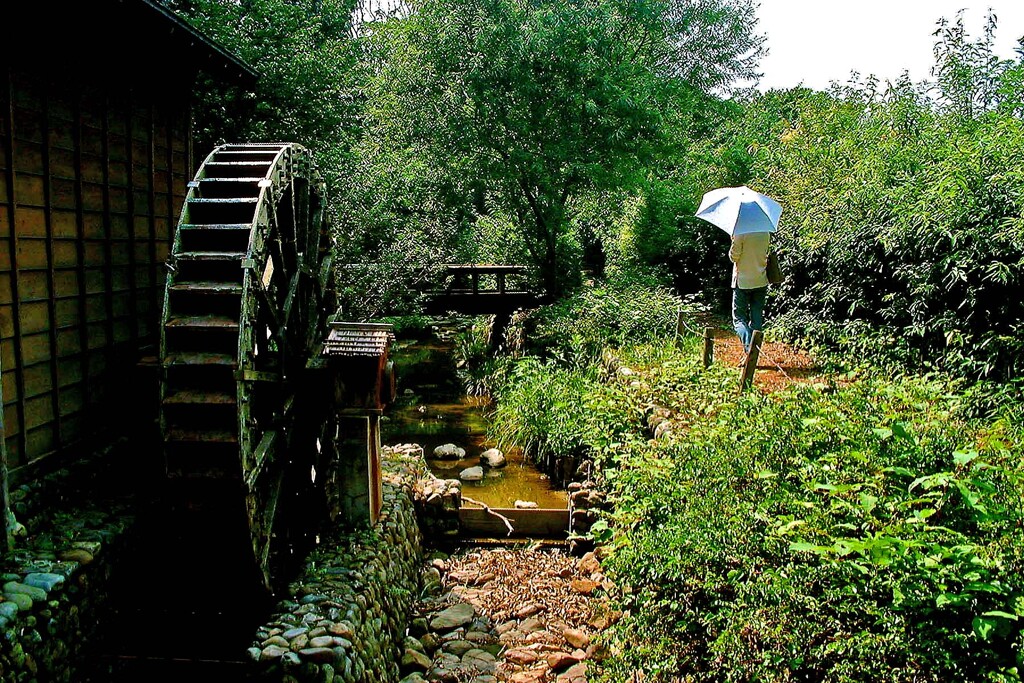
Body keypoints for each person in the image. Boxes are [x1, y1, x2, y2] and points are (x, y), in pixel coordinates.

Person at [729, 232, 770, 354]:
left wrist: (733, 241)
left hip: (742, 282)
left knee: (739, 319)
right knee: (757, 318)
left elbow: (734, 257)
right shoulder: (765, 232)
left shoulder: (740, 232)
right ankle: (754, 350)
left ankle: (749, 351)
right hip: (760, 280)